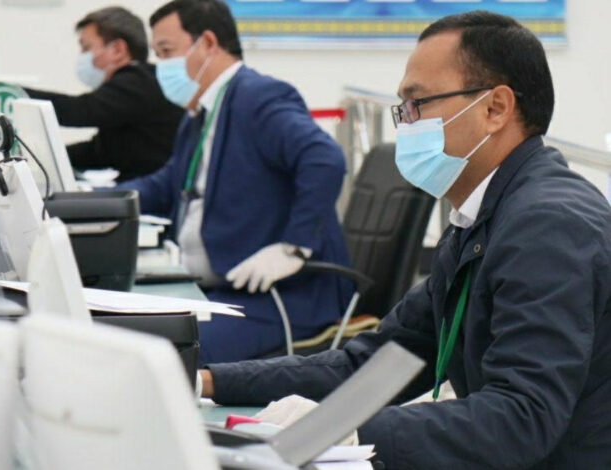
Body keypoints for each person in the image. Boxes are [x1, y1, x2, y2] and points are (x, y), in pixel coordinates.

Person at [200, 11, 611, 469]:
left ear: (495, 109)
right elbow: (376, 364)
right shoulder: (482, 218)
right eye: (402, 108)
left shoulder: (548, 227)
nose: (406, 123)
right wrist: (207, 382)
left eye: (417, 104)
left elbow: (521, 417)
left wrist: (348, 430)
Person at [119, 0, 354, 364]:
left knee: (160, 353)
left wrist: (293, 247)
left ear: (208, 43)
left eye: (166, 52)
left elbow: (324, 159)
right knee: (118, 331)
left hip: (280, 297)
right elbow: (168, 184)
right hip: (222, 289)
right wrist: (89, 201)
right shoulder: (202, 113)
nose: (160, 66)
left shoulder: (258, 96)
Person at [22, 7, 185, 182]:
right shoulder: (137, 85)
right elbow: (101, 152)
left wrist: (14, 94)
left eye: (86, 48)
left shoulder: (136, 81)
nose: (82, 57)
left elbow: (79, 110)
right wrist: (37, 159)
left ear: (117, 50)